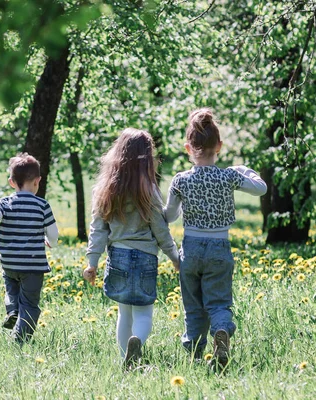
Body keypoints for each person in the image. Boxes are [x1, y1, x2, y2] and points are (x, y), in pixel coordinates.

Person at [164, 108, 267, 368]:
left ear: (188, 147)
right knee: (219, 301)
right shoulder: (228, 176)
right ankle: (221, 330)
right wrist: (244, 169)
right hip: (220, 248)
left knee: (193, 306)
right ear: (219, 145)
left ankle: (196, 354)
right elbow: (261, 188)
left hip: (192, 248)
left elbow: (169, 216)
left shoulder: (181, 180)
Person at [83, 128, 179, 368]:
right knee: (144, 312)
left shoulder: (105, 190)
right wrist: (175, 257)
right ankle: (137, 343)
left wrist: (92, 262)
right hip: (146, 257)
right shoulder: (149, 190)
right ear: (146, 159)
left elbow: (97, 230)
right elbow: (160, 229)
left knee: (123, 313)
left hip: (118, 257)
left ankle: (125, 357)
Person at [0, 152, 58, 343]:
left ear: (12, 182)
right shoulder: (42, 205)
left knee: (11, 291)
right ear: (37, 181)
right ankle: (20, 340)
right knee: (30, 303)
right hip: (33, 265)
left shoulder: (5, 202)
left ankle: (13, 311)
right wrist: (51, 242)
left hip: (10, 263)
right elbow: (53, 233)